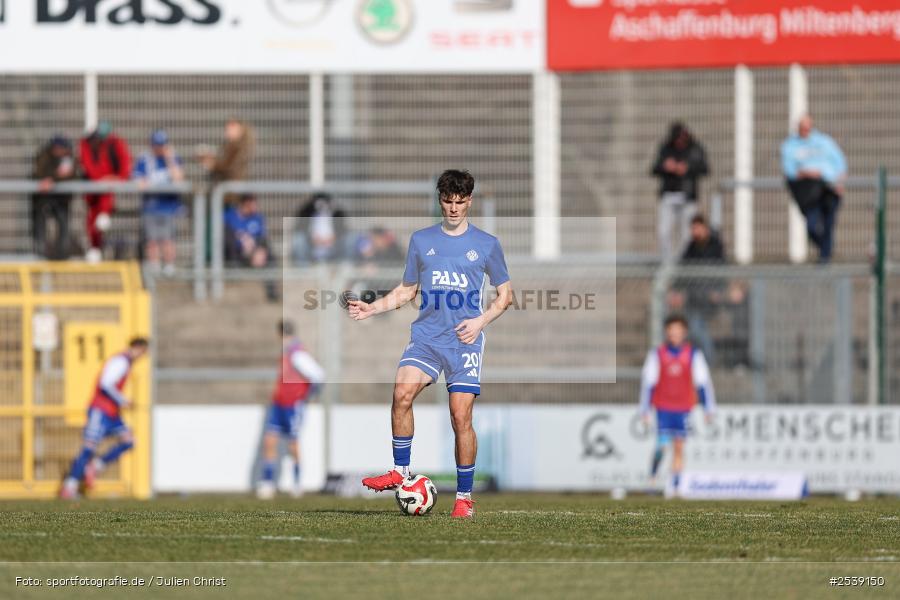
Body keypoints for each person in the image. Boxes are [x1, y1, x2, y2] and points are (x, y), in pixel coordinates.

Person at [348, 169, 513, 519]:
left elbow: (505, 296)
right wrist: (373, 307)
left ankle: (464, 498)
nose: (454, 208)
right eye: (448, 201)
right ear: (439, 200)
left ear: (469, 201)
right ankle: (401, 472)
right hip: (426, 337)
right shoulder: (421, 240)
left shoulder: (487, 244)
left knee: (460, 416)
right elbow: (408, 290)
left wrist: (480, 321)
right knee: (401, 394)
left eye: (460, 202)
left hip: (464, 341)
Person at [60, 338, 150, 500]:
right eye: (143, 352)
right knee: (88, 448)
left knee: (129, 441)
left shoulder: (126, 363)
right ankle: (70, 486)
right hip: (100, 411)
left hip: (112, 414)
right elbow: (106, 383)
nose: (143, 356)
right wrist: (123, 400)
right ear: (137, 348)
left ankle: (95, 465)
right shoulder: (121, 361)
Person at [639, 315, 716, 498]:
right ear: (667, 332)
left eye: (678, 330)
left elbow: (703, 382)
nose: (675, 333)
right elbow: (649, 382)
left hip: (683, 407)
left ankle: (675, 486)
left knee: (679, 446)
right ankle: (652, 478)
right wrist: (645, 409)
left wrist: (708, 408)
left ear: (684, 332)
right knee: (662, 445)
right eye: (671, 330)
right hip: (664, 406)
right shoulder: (657, 354)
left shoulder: (693, 354)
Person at [257, 320, 325, 500]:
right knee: (269, 441)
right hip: (278, 403)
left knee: (292, 444)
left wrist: (306, 396)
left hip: (292, 405)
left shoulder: (297, 353)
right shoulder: (287, 352)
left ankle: (296, 483)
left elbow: (318, 375)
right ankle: (267, 483)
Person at [781, 114, 848, 263]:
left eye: (808, 128)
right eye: (803, 128)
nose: (806, 131)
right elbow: (790, 171)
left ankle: (825, 257)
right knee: (812, 226)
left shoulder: (824, 142)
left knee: (829, 224)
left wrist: (840, 183)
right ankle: (825, 249)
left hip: (829, 189)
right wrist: (808, 173)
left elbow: (840, 164)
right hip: (810, 192)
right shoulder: (790, 145)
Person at [668, 214, 726, 363]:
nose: (695, 232)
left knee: (697, 327)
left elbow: (722, 270)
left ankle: (708, 359)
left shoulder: (715, 246)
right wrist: (676, 290)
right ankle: (701, 359)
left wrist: (719, 290)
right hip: (694, 297)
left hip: (708, 298)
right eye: (693, 228)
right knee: (695, 327)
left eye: (697, 228)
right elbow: (683, 271)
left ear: (705, 228)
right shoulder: (691, 247)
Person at [651, 122, 709, 261]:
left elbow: (704, 169)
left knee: (686, 235)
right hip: (669, 196)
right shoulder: (666, 148)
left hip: (687, 197)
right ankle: (668, 263)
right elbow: (654, 168)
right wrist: (666, 167)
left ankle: (684, 263)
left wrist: (687, 168)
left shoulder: (695, 148)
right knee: (664, 232)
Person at [133, 130, 185, 277]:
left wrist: (169, 159)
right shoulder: (145, 159)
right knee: (152, 240)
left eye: (162, 145)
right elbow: (139, 182)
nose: (159, 149)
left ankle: (169, 266)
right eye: (157, 145)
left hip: (168, 207)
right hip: (151, 206)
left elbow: (178, 179)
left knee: (168, 239)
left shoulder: (172, 158)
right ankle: (154, 266)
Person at [79, 121, 132, 262]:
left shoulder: (114, 144)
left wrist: (116, 178)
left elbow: (124, 165)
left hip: (108, 188)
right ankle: (94, 248)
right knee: (92, 220)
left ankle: (104, 215)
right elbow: (89, 167)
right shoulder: (86, 145)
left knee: (104, 207)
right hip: (93, 191)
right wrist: (101, 179)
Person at [31, 135, 77, 259]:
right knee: (40, 226)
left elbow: (68, 174)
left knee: (63, 225)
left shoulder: (68, 158)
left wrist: (52, 179)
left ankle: (62, 256)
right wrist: (53, 178)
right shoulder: (43, 156)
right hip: (42, 199)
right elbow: (39, 174)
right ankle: (39, 254)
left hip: (61, 200)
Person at [225, 194, 278, 301]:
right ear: (246, 204)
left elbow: (262, 238)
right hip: (236, 253)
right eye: (253, 204)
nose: (256, 207)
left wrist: (258, 251)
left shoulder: (257, 218)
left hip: (255, 253)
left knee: (270, 256)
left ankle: (272, 293)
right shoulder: (229, 216)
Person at [199, 118, 255, 208]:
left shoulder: (240, 147)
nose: (228, 130)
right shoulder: (228, 145)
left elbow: (229, 166)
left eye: (232, 127)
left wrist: (213, 164)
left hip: (232, 194)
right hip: (224, 192)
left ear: (240, 129)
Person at [291, 192, 349, 264]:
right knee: (298, 238)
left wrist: (333, 238)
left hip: (333, 247)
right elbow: (300, 229)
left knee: (349, 238)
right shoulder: (307, 213)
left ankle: (345, 267)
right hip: (312, 247)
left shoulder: (337, 213)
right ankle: (303, 270)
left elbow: (343, 230)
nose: (322, 206)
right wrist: (312, 239)